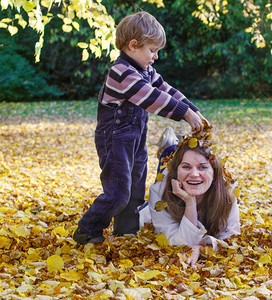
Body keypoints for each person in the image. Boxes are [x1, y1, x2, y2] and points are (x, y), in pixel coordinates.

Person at [73, 11, 208, 245]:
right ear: (134, 45)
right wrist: (183, 113)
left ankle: (126, 232)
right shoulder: (121, 72)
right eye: (152, 50)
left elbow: (165, 89)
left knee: (136, 187)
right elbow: (150, 96)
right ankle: (88, 229)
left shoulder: (146, 71)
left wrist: (192, 110)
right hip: (114, 139)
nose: (155, 57)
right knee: (118, 192)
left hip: (135, 138)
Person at [139, 127, 240, 266]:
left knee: (180, 163)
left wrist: (202, 248)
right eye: (186, 167)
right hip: (149, 211)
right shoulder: (158, 191)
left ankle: (171, 147)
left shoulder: (227, 193)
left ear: (215, 172)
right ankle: (169, 149)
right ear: (176, 172)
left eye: (203, 167)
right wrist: (190, 202)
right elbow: (177, 244)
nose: (194, 174)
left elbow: (231, 239)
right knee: (164, 170)